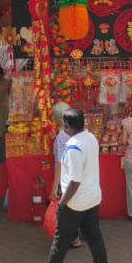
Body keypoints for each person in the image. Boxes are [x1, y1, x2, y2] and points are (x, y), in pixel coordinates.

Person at [28, 109, 111, 263]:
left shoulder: (73, 147)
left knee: (59, 244)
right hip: (92, 198)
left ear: (67, 126)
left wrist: (62, 202)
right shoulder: (90, 138)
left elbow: (75, 181)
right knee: (95, 239)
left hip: (74, 202)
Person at [50, 102, 81, 249]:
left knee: (67, 209)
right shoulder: (80, 132)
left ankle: (74, 239)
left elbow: (59, 164)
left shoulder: (61, 137)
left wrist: (55, 186)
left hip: (68, 179)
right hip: (80, 176)